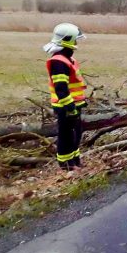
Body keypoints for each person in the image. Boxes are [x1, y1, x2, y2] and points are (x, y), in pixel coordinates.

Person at [43, 23, 87, 170]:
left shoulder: (67, 60)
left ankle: (75, 160)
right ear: (68, 41)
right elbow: (60, 88)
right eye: (75, 40)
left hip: (74, 104)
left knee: (76, 134)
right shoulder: (59, 62)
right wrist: (70, 108)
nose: (76, 43)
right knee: (66, 135)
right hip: (66, 106)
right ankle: (66, 165)